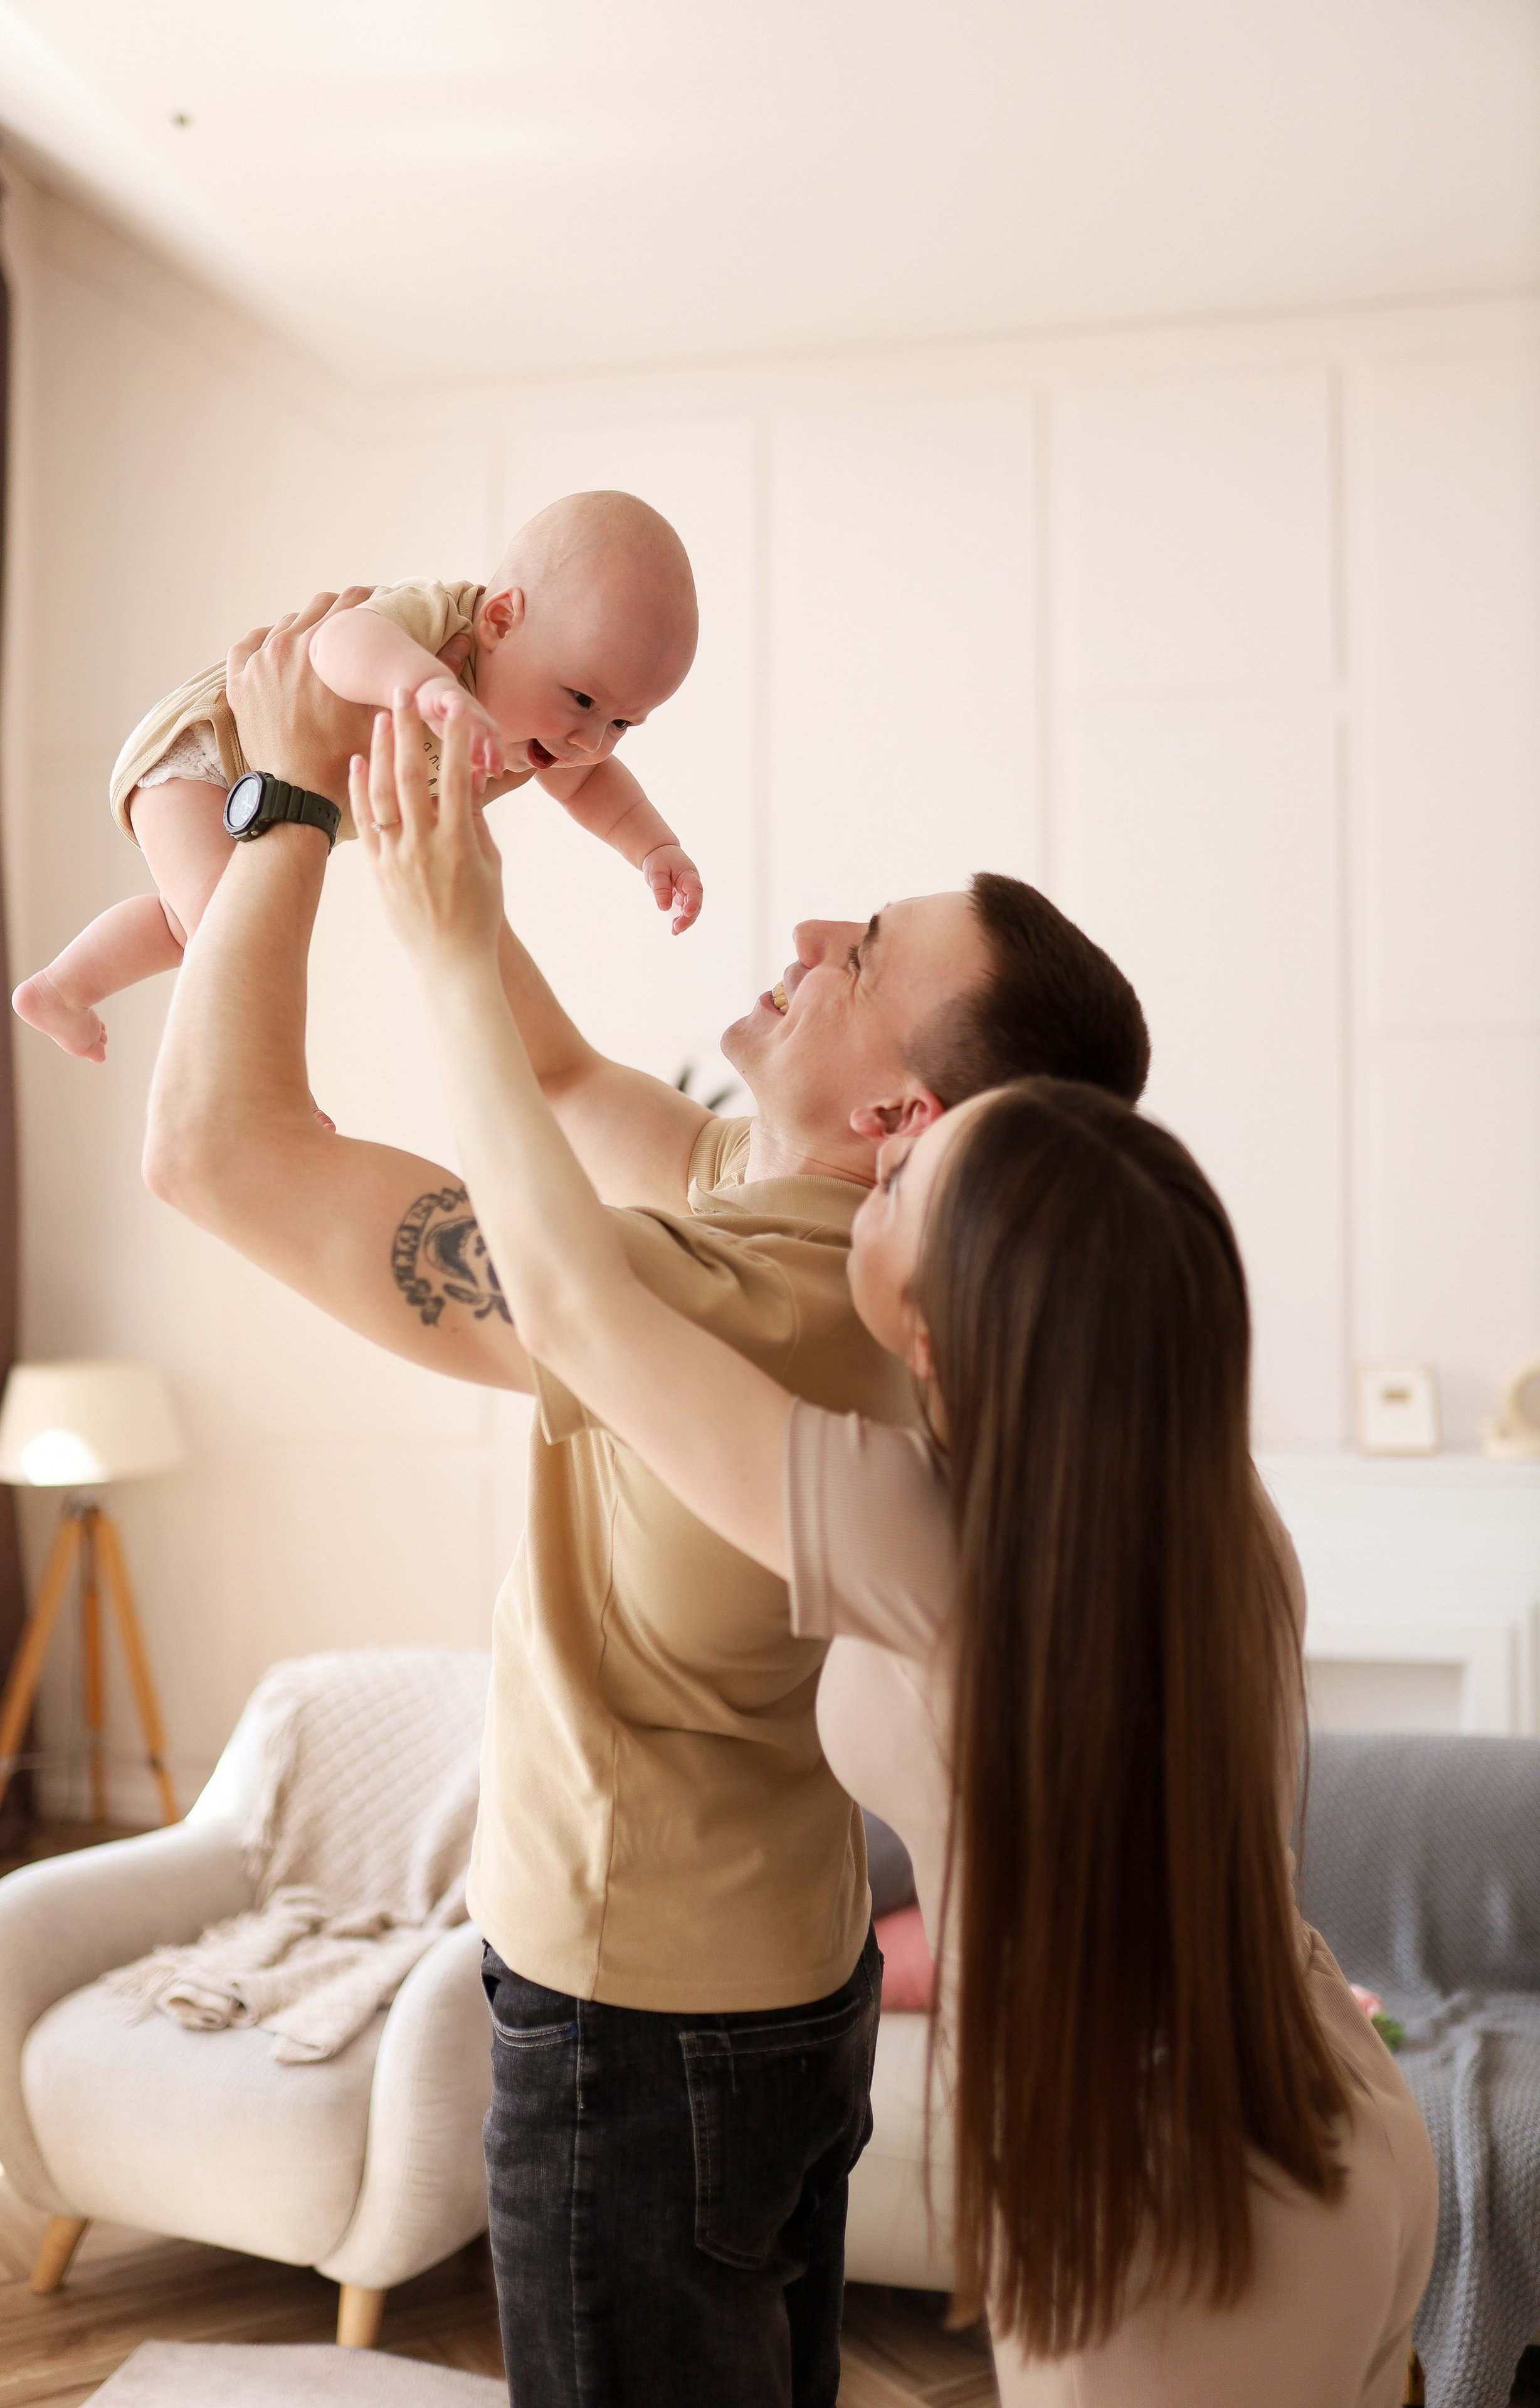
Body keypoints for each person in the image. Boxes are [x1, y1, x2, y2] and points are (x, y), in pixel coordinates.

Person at [351, 700, 1440, 2408]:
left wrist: (427, 946)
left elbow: (575, 1296)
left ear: (942, 1323)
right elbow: (589, 1120)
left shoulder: (922, 1535)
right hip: (1349, 2106)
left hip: (1169, 2210)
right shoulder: (1197, 1513)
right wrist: (468, 863)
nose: (883, 1181)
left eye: (909, 1182)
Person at [141, 594, 1151, 2408]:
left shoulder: (719, 1300)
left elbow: (218, 1151)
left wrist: (282, 794)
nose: (814, 928)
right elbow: (550, 1075)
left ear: (905, 1117)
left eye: (862, 958)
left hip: (641, 2032)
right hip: (776, 1988)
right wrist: (431, 779)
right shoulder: (800, 1234)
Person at [14, 491, 703, 1064]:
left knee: (202, 928)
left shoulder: (540, 743)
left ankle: (64, 989)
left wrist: (653, 847)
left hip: (259, 783)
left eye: (623, 725)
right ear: (500, 618)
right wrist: (422, 683)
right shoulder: (440, 622)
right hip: (202, 752)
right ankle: (274, 1084)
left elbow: (593, 787)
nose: (591, 739)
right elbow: (336, 642)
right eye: (583, 700)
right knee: (237, 939)